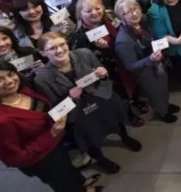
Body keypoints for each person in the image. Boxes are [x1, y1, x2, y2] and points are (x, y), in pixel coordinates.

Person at [0, 60, 103, 192]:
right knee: (62, 182)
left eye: (10, 74)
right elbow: (15, 157)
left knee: (68, 170)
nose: (9, 81)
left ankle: (81, 183)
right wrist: (52, 134)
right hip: (42, 159)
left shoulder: (25, 91)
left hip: (56, 146)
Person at [34, 32, 142, 174]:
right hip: (76, 109)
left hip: (99, 94)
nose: (59, 50)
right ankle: (100, 158)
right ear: (43, 52)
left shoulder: (84, 53)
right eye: (52, 48)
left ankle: (124, 136)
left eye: (62, 44)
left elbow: (102, 72)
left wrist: (103, 73)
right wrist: (69, 97)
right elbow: (55, 108)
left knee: (114, 114)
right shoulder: (42, 77)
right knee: (86, 133)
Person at [114, 0, 180, 123]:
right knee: (155, 92)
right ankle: (162, 112)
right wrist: (149, 59)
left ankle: (165, 104)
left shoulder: (143, 21)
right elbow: (130, 66)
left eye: (135, 9)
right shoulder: (123, 41)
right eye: (128, 12)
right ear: (121, 17)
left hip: (158, 62)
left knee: (163, 87)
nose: (134, 14)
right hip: (145, 72)